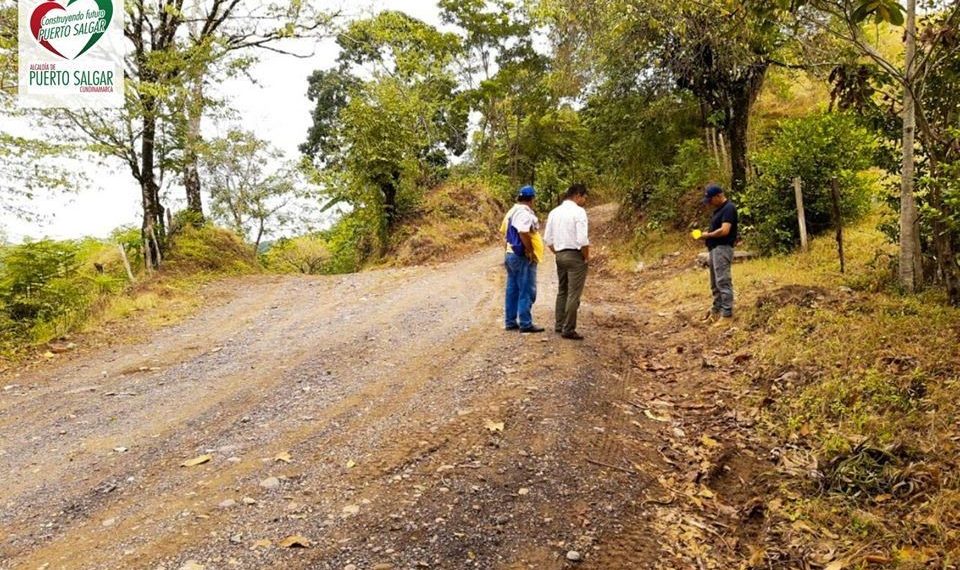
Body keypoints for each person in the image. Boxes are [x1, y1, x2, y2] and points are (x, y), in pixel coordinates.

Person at [543, 183, 590, 340]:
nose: (584, 201)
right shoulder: (579, 212)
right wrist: (586, 256)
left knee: (562, 290)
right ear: (577, 195)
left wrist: (558, 252)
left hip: (560, 255)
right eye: (584, 197)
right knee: (573, 294)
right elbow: (582, 240)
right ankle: (568, 329)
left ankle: (559, 324)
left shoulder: (554, 212)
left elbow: (548, 239)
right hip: (575, 255)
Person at [502, 185, 545, 333]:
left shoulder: (511, 211)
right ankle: (526, 323)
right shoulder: (523, 213)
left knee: (512, 289)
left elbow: (504, 234)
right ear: (532, 199)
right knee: (526, 289)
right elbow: (523, 232)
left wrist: (506, 253)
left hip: (510, 254)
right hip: (521, 256)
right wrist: (530, 251)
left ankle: (510, 321)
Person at [694, 184, 738, 322]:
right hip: (714, 249)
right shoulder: (718, 210)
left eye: (711, 200)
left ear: (719, 196)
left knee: (723, 281)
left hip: (722, 248)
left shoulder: (729, 208)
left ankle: (727, 314)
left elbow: (725, 230)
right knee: (715, 283)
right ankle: (716, 310)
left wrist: (707, 235)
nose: (709, 203)